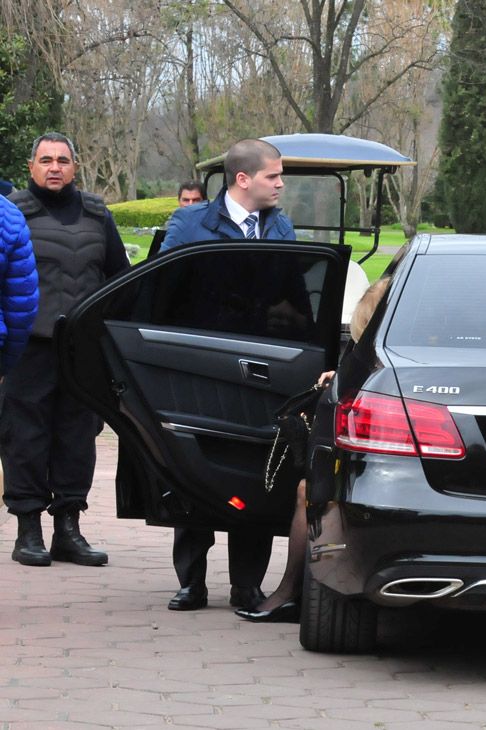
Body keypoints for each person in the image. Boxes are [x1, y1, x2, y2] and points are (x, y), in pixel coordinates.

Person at [158, 139, 293, 612]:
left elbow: (293, 296)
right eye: (273, 176)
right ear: (243, 179)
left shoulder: (281, 228)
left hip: (261, 370)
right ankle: (191, 581)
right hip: (200, 366)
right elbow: (161, 292)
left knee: (255, 471)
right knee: (195, 465)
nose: (280, 184)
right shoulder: (190, 224)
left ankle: (246, 585)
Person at [3, 132, 130, 566]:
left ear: (74, 166)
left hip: (81, 351)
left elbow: (120, 277)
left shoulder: (98, 214)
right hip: (27, 348)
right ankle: (28, 532)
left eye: (62, 160)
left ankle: (68, 530)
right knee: (25, 438)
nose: (54, 167)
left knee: (79, 439)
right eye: (45, 160)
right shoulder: (12, 213)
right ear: (31, 167)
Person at [236, 274, 394, 622]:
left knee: (310, 492)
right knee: (307, 490)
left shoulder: (380, 351)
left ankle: (289, 591)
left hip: (384, 466)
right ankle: (290, 591)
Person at [148, 182, 206, 258]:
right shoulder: (171, 226)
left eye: (196, 200)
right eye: (186, 200)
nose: (190, 204)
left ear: (205, 202)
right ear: (179, 201)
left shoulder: (212, 227)